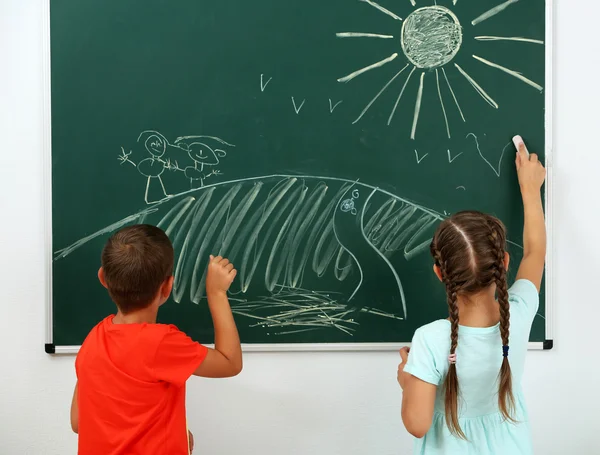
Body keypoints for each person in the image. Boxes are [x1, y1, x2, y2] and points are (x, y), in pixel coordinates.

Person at [397, 135, 546, 455]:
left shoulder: (431, 340)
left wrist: (407, 379)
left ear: (440, 273)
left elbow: (417, 423)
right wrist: (531, 191)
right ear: (504, 263)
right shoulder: (518, 316)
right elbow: (535, 253)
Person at [70, 224, 243, 454]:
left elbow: (79, 422)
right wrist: (217, 293)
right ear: (168, 286)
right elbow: (229, 362)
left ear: (103, 277)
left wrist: (167, 430)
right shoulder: (160, 343)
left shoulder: (93, 339)